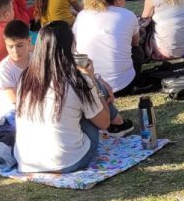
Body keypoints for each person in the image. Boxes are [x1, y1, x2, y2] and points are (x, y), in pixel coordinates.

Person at [12, 22, 135, 175]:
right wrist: (92, 81)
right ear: (70, 46)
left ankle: (118, 122)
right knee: (94, 94)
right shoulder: (77, 80)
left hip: (27, 161)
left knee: (82, 99)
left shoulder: (26, 77)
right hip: (68, 161)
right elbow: (103, 123)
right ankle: (119, 123)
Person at [73, 0, 143, 94]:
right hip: (123, 86)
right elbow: (135, 43)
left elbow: (75, 46)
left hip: (90, 85)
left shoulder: (82, 15)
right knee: (138, 51)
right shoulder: (128, 15)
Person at [0, 20, 32, 120]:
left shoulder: (37, 61)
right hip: (13, 114)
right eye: (10, 47)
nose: (15, 51)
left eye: (20, 45)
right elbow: (14, 100)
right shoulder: (4, 69)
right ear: (5, 43)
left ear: (28, 41)